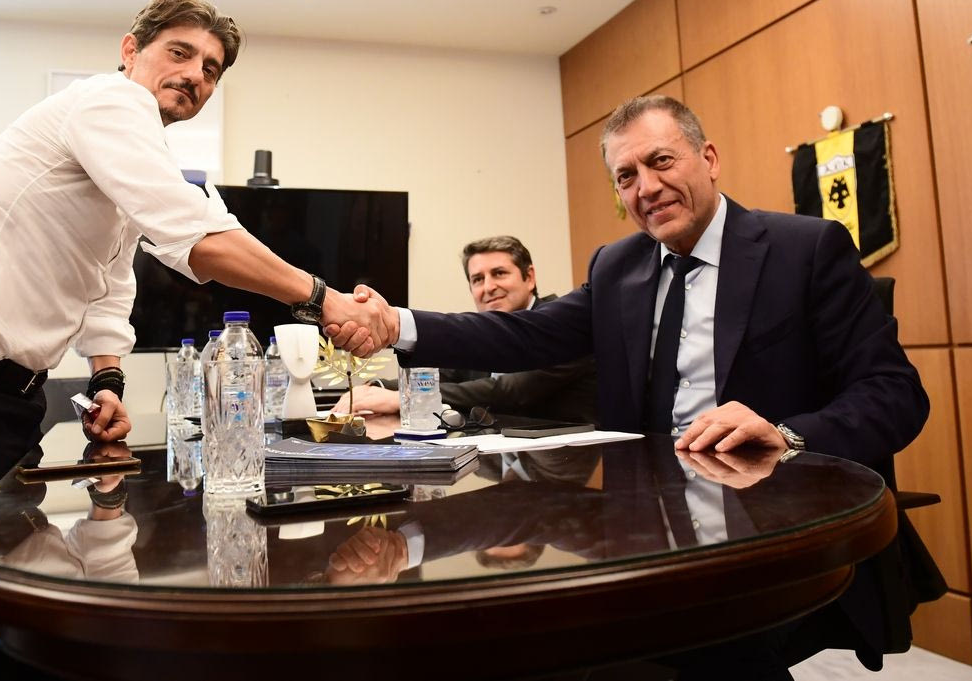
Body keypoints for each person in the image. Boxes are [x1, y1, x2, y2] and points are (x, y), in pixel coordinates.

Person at [0, 0, 390, 679]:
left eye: (211, 68)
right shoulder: (109, 103)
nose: (195, 74)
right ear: (130, 50)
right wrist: (323, 299)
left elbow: (109, 285)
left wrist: (107, 378)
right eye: (181, 53)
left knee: (15, 619)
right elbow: (195, 236)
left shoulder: (128, 147)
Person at [330, 95, 931, 677]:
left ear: (709, 158)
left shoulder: (805, 249)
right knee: (545, 633)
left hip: (767, 527)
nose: (646, 187)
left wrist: (785, 433)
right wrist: (396, 324)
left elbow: (894, 392)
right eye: (626, 176)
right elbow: (526, 335)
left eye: (661, 161)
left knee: (694, 647)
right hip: (644, 530)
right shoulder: (618, 266)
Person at [330, 235, 596, 422]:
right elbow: (440, 377)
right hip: (497, 462)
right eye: (478, 279)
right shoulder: (483, 335)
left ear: (530, 277)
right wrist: (374, 388)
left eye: (499, 273)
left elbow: (509, 391)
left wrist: (402, 397)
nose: (488, 287)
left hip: (566, 468)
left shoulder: (562, 325)